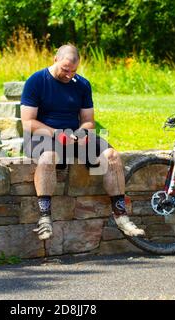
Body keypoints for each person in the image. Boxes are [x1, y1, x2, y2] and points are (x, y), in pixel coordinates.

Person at [21, 44, 145, 240]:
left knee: (111, 156)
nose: (69, 75)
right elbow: (28, 122)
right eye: (65, 69)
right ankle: (45, 218)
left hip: (73, 137)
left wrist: (79, 134)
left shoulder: (82, 84)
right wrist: (58, 134)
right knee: (48, 157)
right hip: (42, 136)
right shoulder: (36, 81)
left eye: (73, 71)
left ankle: (121, 216)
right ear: (55, 60)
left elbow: (88, 121)